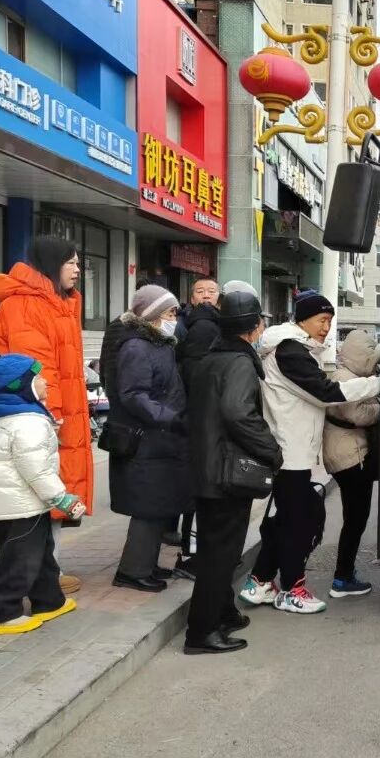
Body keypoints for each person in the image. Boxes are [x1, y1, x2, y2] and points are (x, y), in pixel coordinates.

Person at [0, 236, 94, 596]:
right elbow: (36, 369)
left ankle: (44, 572)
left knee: (44, 493)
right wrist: (51, 414)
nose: (77, 270)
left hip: (44, 413)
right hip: (34, 415)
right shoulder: (28, 304)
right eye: (71, 263)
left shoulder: (57, 301)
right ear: (51, 264)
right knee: (33, 496)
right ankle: (31, 579)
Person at [241, 292, 378, 615]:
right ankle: (292, 589)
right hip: (290, 451)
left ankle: (259, 581)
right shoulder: (290, 351)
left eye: (330, 321)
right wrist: (378, 385)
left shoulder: (293, 349)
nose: (326, 328)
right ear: (302, 320)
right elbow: (327, 393)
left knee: (287, 520)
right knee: (299, 524)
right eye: (321, 320)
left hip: (294, 450)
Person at [184, 290, 282, 654]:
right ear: (254, 327)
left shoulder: (211, 358)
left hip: (206, 468)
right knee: (219, 554)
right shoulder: (240, 363)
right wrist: (271, 450)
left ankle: (223, 613)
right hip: (225, 473)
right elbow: (239, 413)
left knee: (217, 548)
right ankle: (202, 633)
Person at [0, 353, 82, 636]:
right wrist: (62, 499)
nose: (45, 382)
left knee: (40, 554)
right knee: (19, 560)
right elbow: (37, 471)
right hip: (22, 505)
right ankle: (1, 613)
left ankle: (49, 601)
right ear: (20, 386)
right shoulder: (28, 423)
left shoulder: (14, 418)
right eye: (38, 378)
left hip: (16, 503)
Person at [106, 286, 193, 592]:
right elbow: (133, 395)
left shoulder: (160, 344)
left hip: (163, 439)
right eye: (169, 312)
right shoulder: (137, 347)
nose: (174, 318)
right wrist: (170, 417)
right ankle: (132, 572)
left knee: (159, 505)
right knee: (147, 507)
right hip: (146, 441)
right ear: (153, 315)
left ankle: (146, 564)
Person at [321, 328, 380, 599]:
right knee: (356, 519)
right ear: (363, 356)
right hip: (351, 457)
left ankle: (345, 573)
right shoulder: (346, 379)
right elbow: (359, 415)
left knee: (353, 518)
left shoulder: (342, 374)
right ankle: (342, 578)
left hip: (342, 455)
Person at [172, 276, 222, 575]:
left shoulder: (207, 322)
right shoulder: (203, 326)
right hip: (199, 418)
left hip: (197, 418)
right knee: (199, 490)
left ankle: (193, 551)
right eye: (200, 291)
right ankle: (191, 554)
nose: (206, 295)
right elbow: (197, 373)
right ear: (192, 298)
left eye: (211, 291)